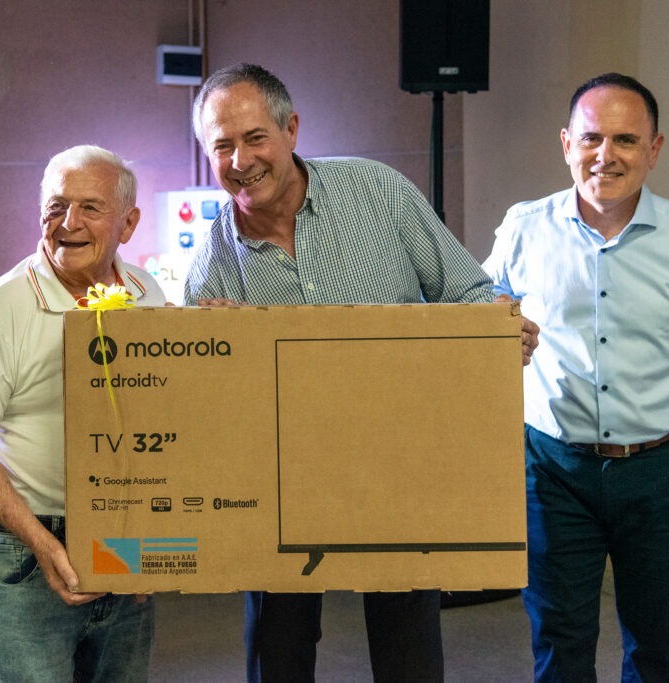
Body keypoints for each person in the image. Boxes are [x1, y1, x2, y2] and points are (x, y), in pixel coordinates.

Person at [185, 62, 538, 683]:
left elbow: (466, 291)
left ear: (291, 129)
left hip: (398, 466)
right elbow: (212, 415)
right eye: (222, 146)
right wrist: (222, 351)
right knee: (279, 651)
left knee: (408, 652)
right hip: (281, 487)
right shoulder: (211, 270)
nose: (240, 160)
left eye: (255, 137)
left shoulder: (379, 193)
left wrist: (496, 328)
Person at [482, 73, 669, 682]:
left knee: (657, 647)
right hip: (552, 471)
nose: (606, 155)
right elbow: (480, 319)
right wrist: (492, 329)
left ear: (654, 149)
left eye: (626, 139)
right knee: (558, 643)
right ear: (567, 144)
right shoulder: (523, 230)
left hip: (661, 474)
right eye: (592, 138)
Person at [0, 145, 165, 682]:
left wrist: (156, 541)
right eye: (56, 207)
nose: (69, 223)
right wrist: (43, 546)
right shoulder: (2, 308)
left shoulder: (147, 295)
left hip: (124, 534)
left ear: (129, 223)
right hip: (28, 539)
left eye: (91, 208)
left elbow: (165, 423)